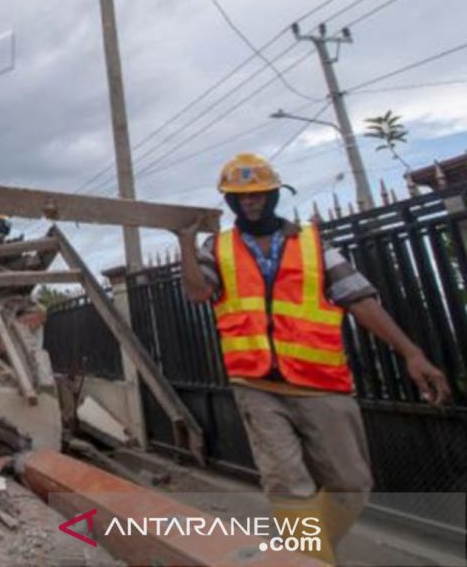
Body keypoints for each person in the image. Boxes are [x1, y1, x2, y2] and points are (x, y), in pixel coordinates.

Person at [176, 152, 449, 562]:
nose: (250, 203)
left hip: (322, 384)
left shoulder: (314, 245)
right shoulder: (218, 248)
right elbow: (198, 293)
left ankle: (306, 553)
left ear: (274, 196)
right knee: (287, 484)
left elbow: (359, 299)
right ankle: (312, 560)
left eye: (258, 195)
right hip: (256, 384)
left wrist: (411, 353)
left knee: (351, 483)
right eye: (240, 198)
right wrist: (184, 242)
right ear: (230, 203)